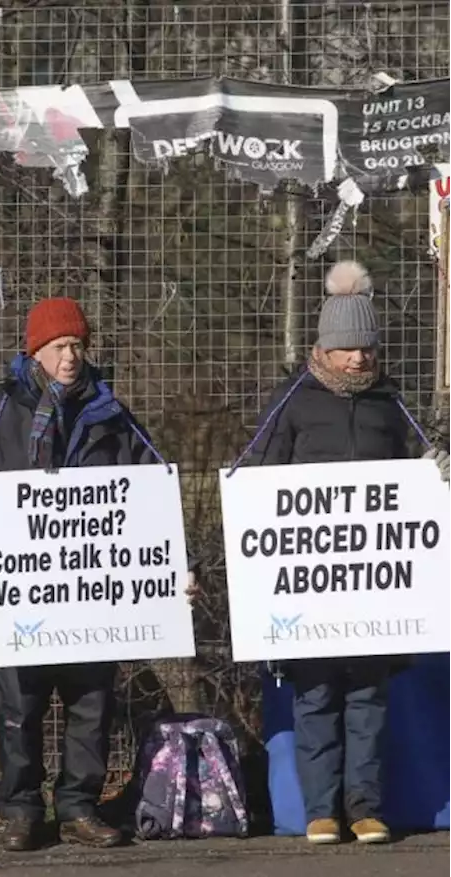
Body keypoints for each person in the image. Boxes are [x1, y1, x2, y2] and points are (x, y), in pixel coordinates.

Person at [0, 297, 194, 852]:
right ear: (35, 352)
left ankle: (79, 808)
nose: (71, 356)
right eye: (59, 347)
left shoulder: (112, 411)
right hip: (16, 595)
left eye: (78, 345)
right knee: (18, 710)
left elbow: (152, 490)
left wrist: (176, 563)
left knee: (90, 707)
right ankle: (22, 810)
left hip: (92, 596)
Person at [247, 260, 451, 846]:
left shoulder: (391, 405)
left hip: (376, 586)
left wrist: (433, 474)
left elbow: (416, 480)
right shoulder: (292, 402)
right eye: (346, 348)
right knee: (314, 696)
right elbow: (259, 477)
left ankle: (364, 806)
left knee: (368, 699)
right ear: (323, 348)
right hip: (310, 587)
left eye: (365, 347)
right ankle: (319, 810)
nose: (358, 358)